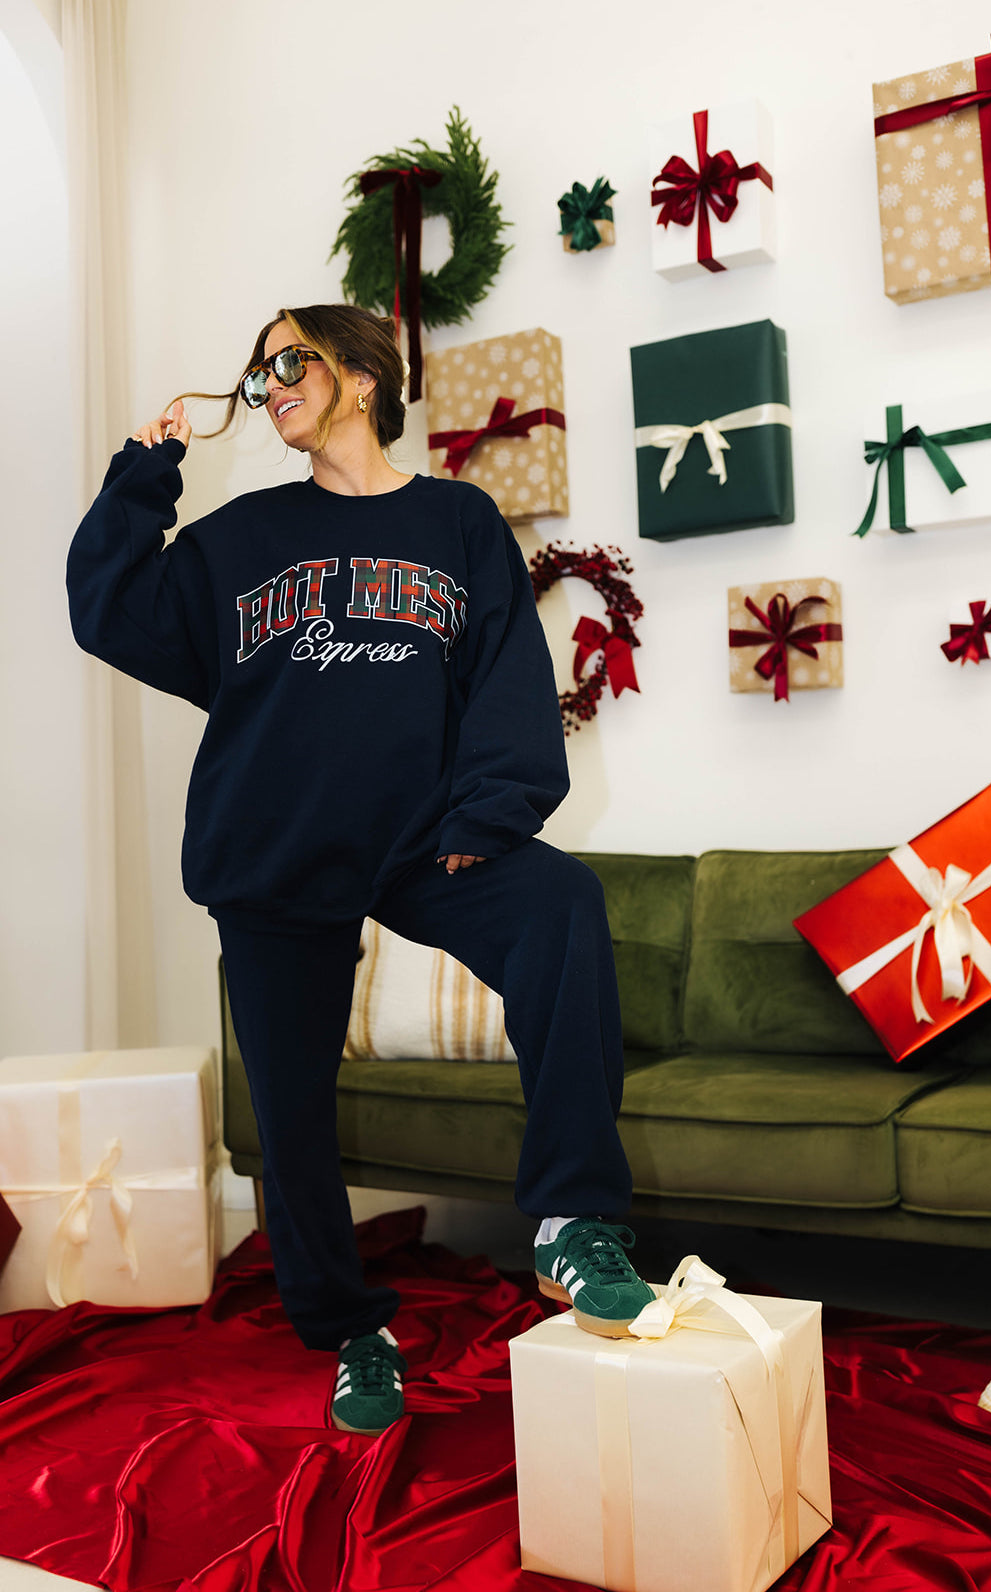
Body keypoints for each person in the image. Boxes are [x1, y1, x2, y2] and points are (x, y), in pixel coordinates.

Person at [67, 303, 654, 1437]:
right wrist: (144, 473)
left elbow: (504, 674)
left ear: (365, 374)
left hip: (426, 837)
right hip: (276, 846)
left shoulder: (455, 520)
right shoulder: (240, 537)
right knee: (287, 1115)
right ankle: (351, 1332)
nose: (270, 383)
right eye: (260, 372)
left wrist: (493, 808)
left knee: (562, 904)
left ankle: (573, 1222)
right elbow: (111, 611)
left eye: (291, 361)